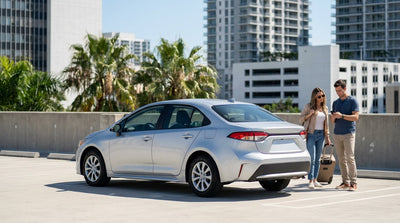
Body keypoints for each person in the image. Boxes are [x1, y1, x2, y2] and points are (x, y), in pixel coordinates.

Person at [330, 79, 359, 191]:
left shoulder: (353, 101)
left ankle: (353, 183)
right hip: (337, 133)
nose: (338, 93)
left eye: (340, 90)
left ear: (345, 89)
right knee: (341, 159)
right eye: (336, 91)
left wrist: (342, 116)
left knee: (350, 158)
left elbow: (356, 117)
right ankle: (345, 182)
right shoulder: (335, 103)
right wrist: (333, 117)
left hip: (349, 133)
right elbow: (333, 121)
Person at [300, 87, 331, 189]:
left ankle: (315, 180)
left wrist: (327, 137)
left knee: (318, 159)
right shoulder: (309, 106)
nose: (321, 98)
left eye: (323, 96)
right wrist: (309, 114)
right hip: (311, 134)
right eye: (319, 96)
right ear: (314, 97)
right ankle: (310, 180)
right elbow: (301, 118)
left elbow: (326, 125)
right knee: (312, 159)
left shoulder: (325, 108)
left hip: (321, 135)